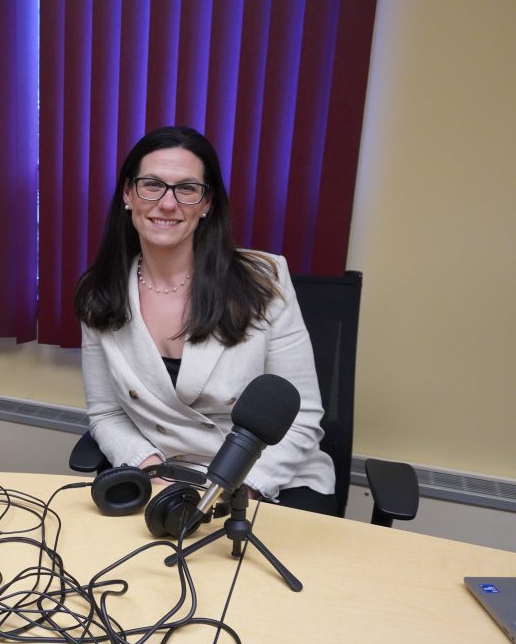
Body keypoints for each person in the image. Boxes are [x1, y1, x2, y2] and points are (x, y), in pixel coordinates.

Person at [75, 126, 336, 513]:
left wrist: (237, 491)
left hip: (268, 476)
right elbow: (107, 413)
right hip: (167, 477)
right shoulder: (101, 293)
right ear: (129, 195)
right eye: (152, 185)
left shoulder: (264, 280)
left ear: (207, 202)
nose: (167, 203)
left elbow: (302, 416)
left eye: (187, 189)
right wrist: (149, 470)